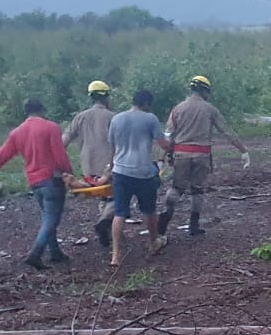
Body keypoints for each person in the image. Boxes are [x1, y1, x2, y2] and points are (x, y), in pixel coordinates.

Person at [0, 98, 75, 270]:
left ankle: (55, 253)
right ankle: (35, 254)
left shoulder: (17, 132)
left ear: (26, 111)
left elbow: (3, 154)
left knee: (47, 216)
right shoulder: (50, 127)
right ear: (42, 109)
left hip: (34, 181)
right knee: (51, 219)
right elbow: (60, 155)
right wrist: (70, 174)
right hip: (51, 180)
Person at [158, 75, 250, 236]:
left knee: (177, 188)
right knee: (197, 190)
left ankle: (167, 213)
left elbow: (168, 136)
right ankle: (194, 225)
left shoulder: (177, 109)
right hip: (202, 155)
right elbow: (226, 131)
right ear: (205, 91)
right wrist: (243, 150)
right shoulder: (210, 110)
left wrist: (161, 158)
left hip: (181, 154)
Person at [107, 89, 172, 267]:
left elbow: (112, 148)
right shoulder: (150, 118)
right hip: (143, 171)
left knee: (119, 213)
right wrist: (171, 144)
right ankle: (154, 241)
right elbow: (163, 144)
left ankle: (115, 255)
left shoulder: (117, 118)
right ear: (147, 103)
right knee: (149, 210)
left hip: (120, 171)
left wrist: (111, 168)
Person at [62, 80, 116, 246]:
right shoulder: (113, 117)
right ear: (106, 97)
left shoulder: (80, 117)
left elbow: (63, 140)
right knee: (116, 198)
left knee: (101, 196)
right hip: (109, 165)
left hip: (88, 167)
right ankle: (105, 221)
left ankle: (106, 228)